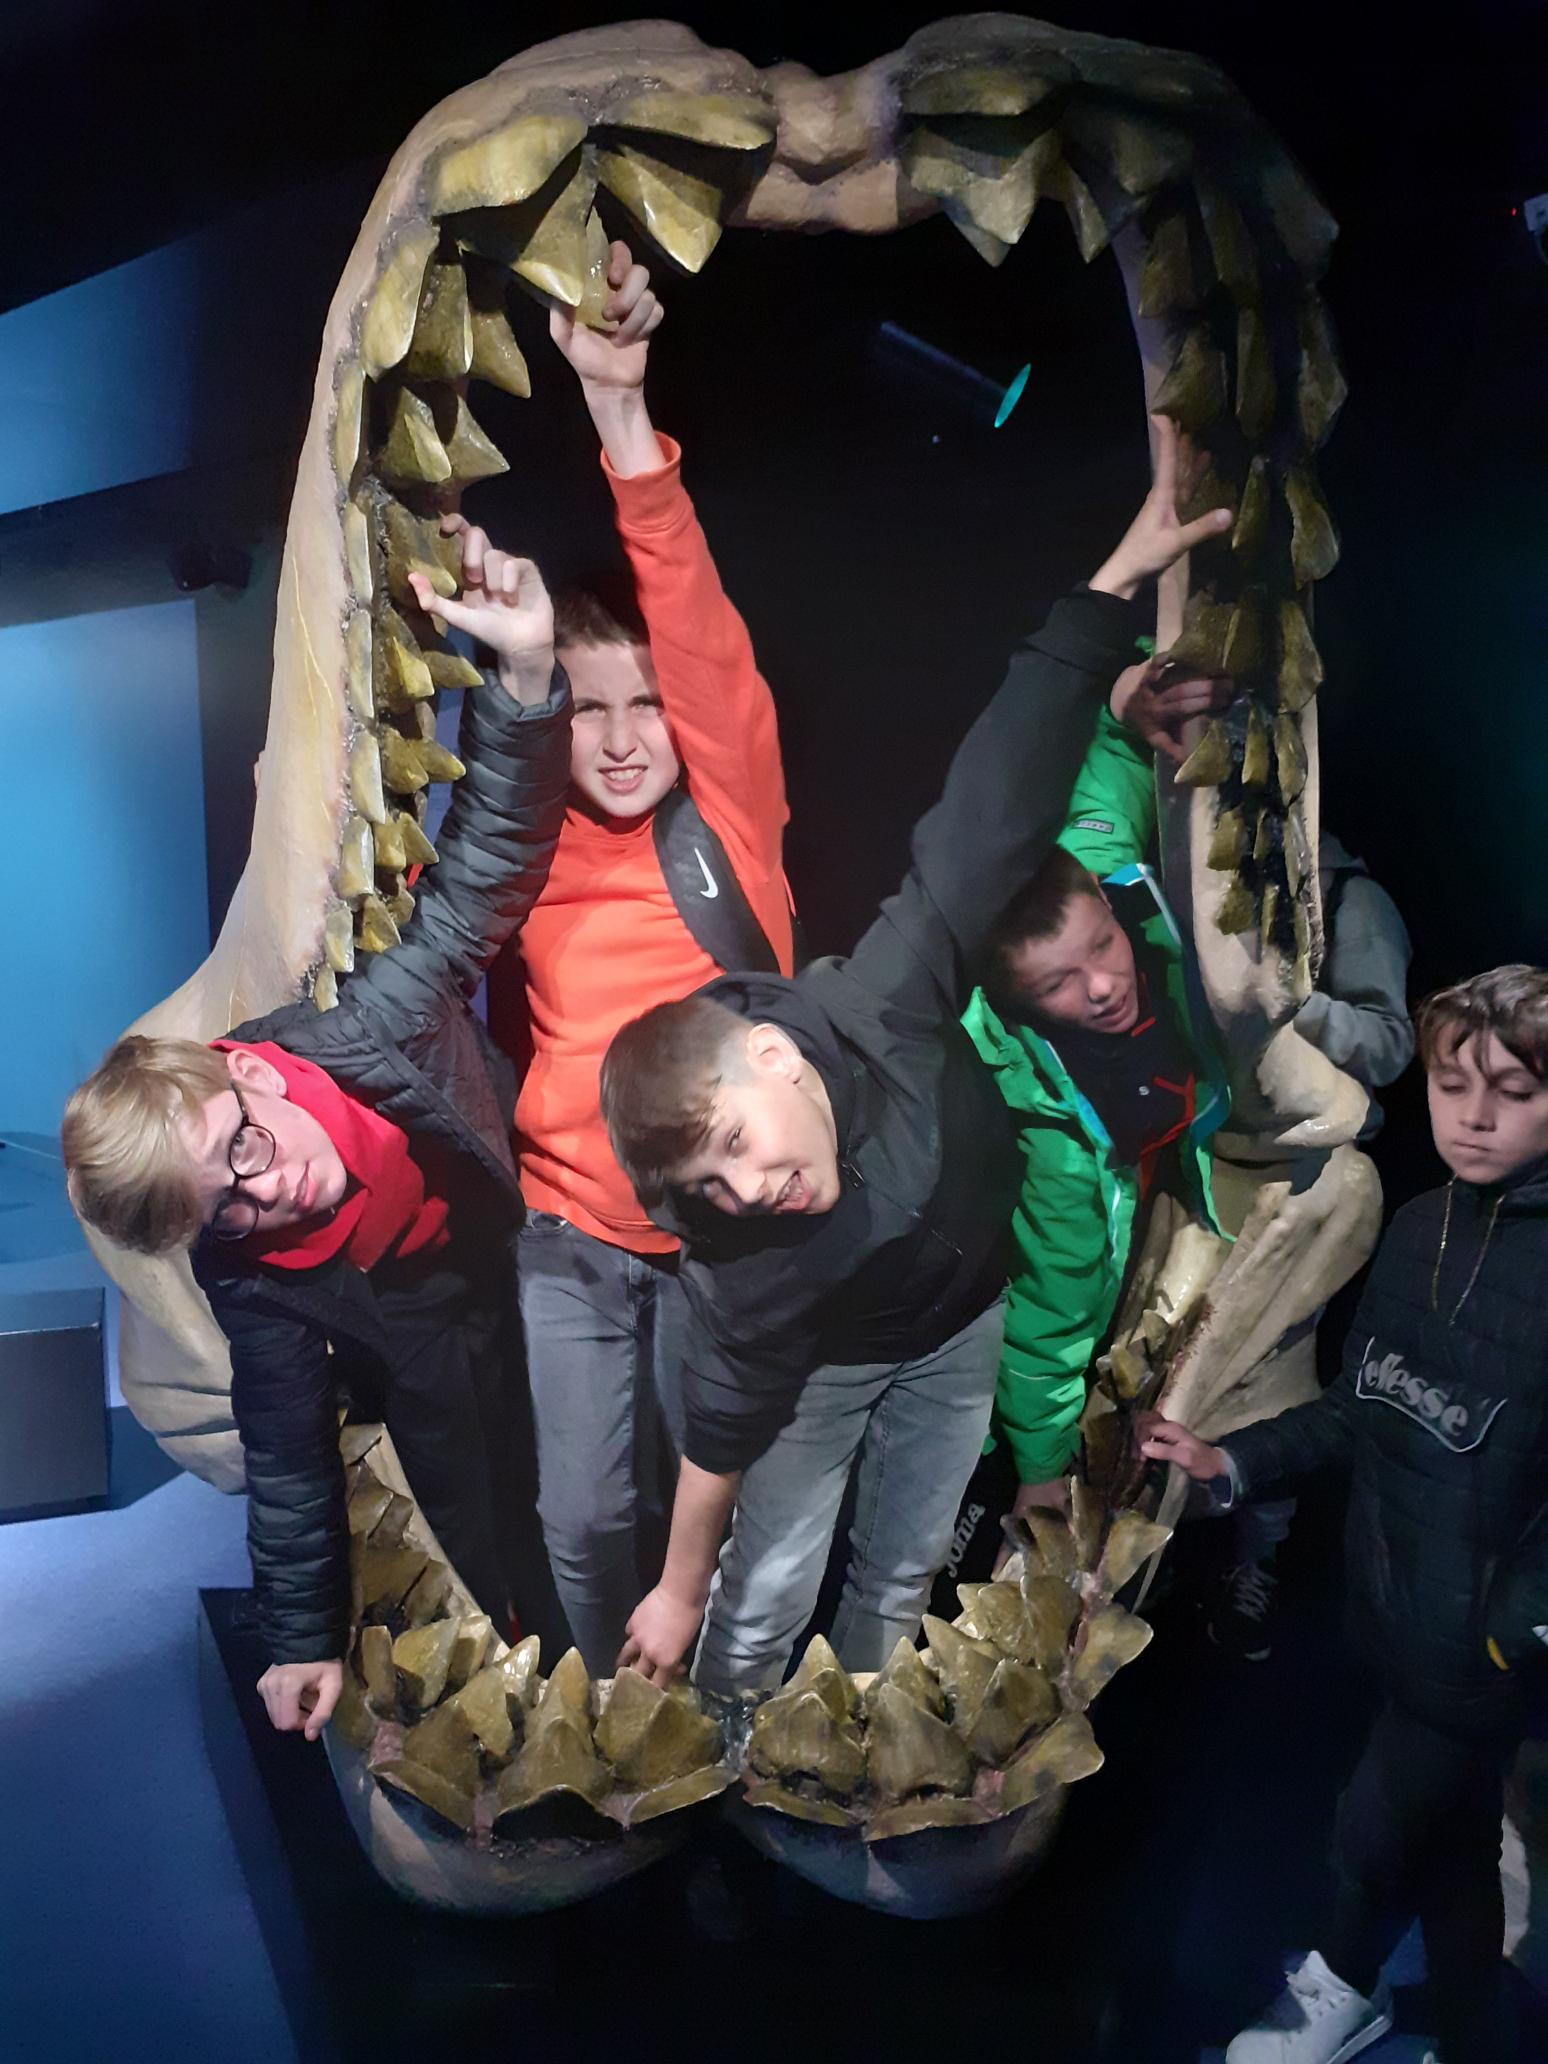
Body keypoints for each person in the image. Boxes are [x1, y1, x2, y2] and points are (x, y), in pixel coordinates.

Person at [601, 417, 1234, 1694]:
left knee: (894, 1577)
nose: (750, 1189)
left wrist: (1111, 592)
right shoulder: (744, 1259)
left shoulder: (877, 1006)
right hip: (828, 1366)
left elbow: (986, 816)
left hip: (961, 1326)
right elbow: (719, 1429)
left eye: (737, 1145)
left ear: (776, 1059)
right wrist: (675, 1591)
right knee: (766, 1596)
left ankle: (857, 1759)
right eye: (712, 1185)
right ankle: (732, 1754)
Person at [63, 543, 570, 1739]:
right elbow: (288, 1456)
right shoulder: (252, 1274)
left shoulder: (373, 1024)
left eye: (240, 1152)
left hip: (528, 1248)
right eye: (222, 1213)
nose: (265, 1195)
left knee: (588, 1476)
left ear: (247, 1069)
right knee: (473, 1508)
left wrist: (527, 675)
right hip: (421, 1322)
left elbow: (485, 870)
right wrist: (299, 1640)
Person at [482, 240, 798, 1675]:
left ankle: (716, 1703)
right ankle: (618, 1711)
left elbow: (695, 623)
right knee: (585, 1516)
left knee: (722, 1508)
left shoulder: (728, 812)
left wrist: (620, 409)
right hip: (573, 1235)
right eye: (588, 709)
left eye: (644, 704)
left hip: (725, 1236)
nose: (618, 738)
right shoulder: (527, 836)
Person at [1141, 964, 1548, 2064]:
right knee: (1455, 1849)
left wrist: (1512, 1634)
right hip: (1391, 1609)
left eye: (1513, 1091)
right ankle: (1476, 2029)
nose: (1473, 1115)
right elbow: (1356, 1413)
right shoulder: (1417, 1228)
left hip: (1482, 1659)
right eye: (1452, 1084)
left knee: (1370, 1829)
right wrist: (1229, 1463)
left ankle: (1344, 1981)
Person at [960, 694, 1228, 1544]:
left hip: (1197, 1141)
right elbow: (1053, 1305)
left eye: (1102, 948)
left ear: (1110, 908)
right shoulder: (1057, 1143)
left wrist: (1132, 695)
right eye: (1060, 985)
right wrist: (1040, 1468)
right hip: (1125, 1201)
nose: (1105, 986)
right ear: (1022, 1002)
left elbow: (1111, 770)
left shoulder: (1094, 863)